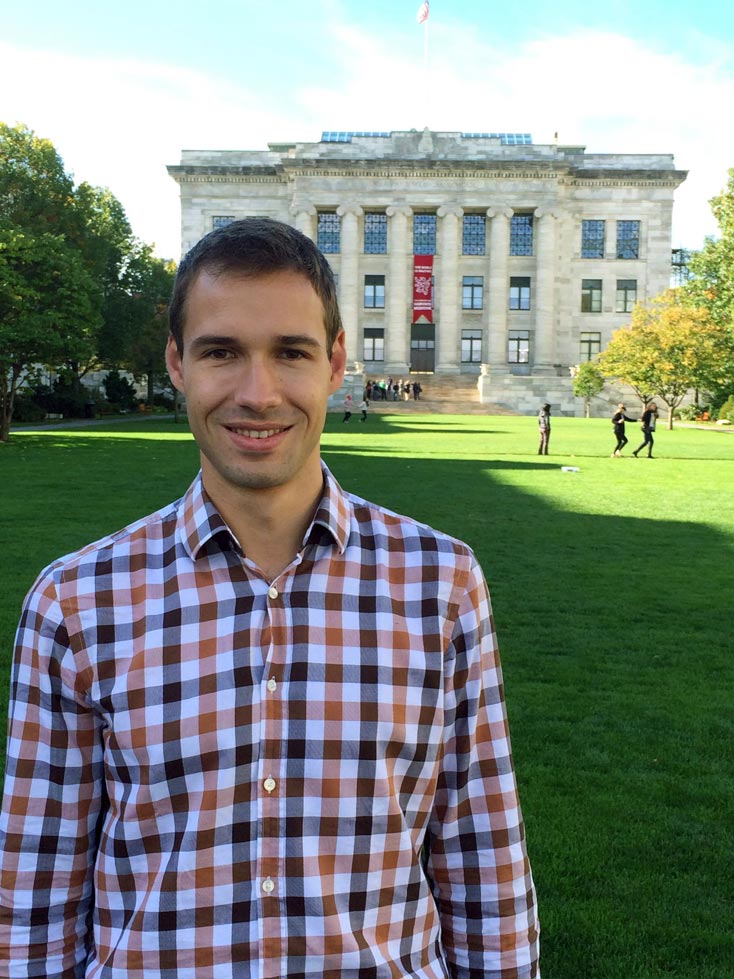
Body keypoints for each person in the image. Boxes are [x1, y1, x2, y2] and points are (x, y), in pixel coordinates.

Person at [0, 217, 539, 979]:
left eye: (291, 352)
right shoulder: (76, 602)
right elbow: (33, 899)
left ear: (336, 362)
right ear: (177, 363)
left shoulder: (441, 583)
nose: (259, 394)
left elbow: (483, 861)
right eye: (223, 352)